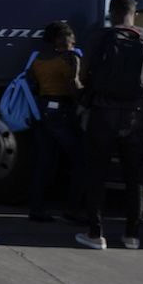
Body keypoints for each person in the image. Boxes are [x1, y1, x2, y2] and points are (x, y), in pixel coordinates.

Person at [75, 0, 143, 250]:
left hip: (102, 114)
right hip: (135, 116)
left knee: (96, 174)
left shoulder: (98, 37)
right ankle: (132, 236)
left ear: (111, 13)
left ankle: (95, 234)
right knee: (134, 177)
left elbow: (83, 74)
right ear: (134, 13)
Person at [26, 21, 85, 223]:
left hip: (41, 110)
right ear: (60, 39)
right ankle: (72, 209)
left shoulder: (37, 59)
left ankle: (36, 209)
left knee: (44, 163)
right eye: (71, 39)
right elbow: (73, 89)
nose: (74, 43)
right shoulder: (66, 60)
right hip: (62, 112)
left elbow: (33, 82)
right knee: (80, 160)